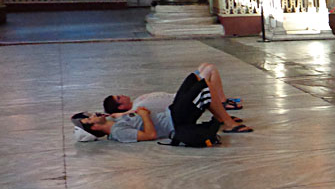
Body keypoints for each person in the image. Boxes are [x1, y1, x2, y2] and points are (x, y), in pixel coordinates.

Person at [71, 69, 224, 144]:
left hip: (170, 112)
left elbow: (116, 114)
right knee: (203, 87)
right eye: (89, 120)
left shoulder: (114, 121)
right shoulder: (119, 132)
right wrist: (144, 116)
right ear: (95, 128)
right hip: (175, 121)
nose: (92, 116)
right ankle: (227, 122)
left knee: (193, 78)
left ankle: (222, 117)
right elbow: (150, 136)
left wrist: (111, 115)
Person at [101, 62, 250, 132]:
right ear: (120, 107)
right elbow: (118, 117)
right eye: (119, 98)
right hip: (180, 105)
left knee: (206, 67)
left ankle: (221, 110)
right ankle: (227, 120)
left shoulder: (137, 101)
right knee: (206, 84)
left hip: (179, 98)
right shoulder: (136, 110)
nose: (121, 95)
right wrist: (115, 114)